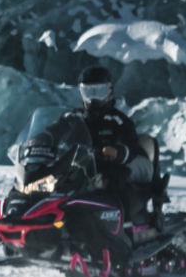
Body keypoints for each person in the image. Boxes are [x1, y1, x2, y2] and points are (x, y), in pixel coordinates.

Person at [21, 65, 156, 226]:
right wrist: (37, 141)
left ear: (110, 91)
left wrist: (118, 152)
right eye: (88, 91)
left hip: (110, 169)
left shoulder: (118, 120)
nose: (93, 98)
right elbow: (52, 131)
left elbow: (132, 146)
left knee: (112, 182)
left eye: (99, 91)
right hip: (78, 169)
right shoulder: (72, 117)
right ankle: (32, 221)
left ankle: (123, 231)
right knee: (43, 185)